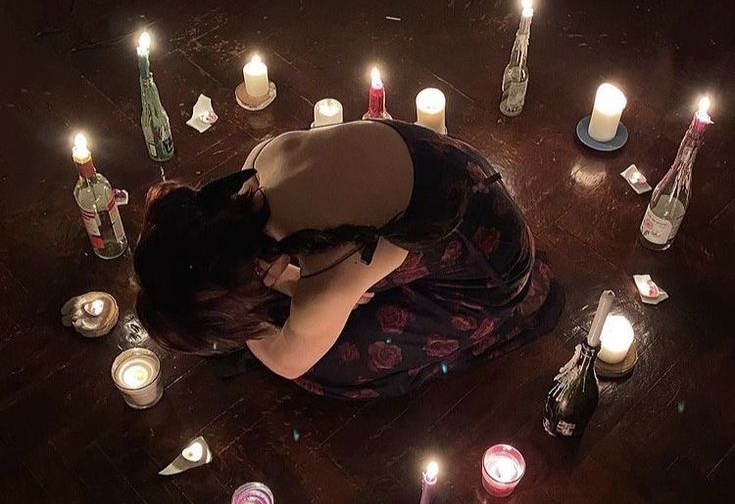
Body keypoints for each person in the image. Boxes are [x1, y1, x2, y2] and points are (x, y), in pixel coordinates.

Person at [134, 120, 562, 398]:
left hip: (489, 270)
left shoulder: (333, 269)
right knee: (306, 312)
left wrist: (244, 327)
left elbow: (287, 361)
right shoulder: (262, 162)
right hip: (448, 179)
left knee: (329, 370)